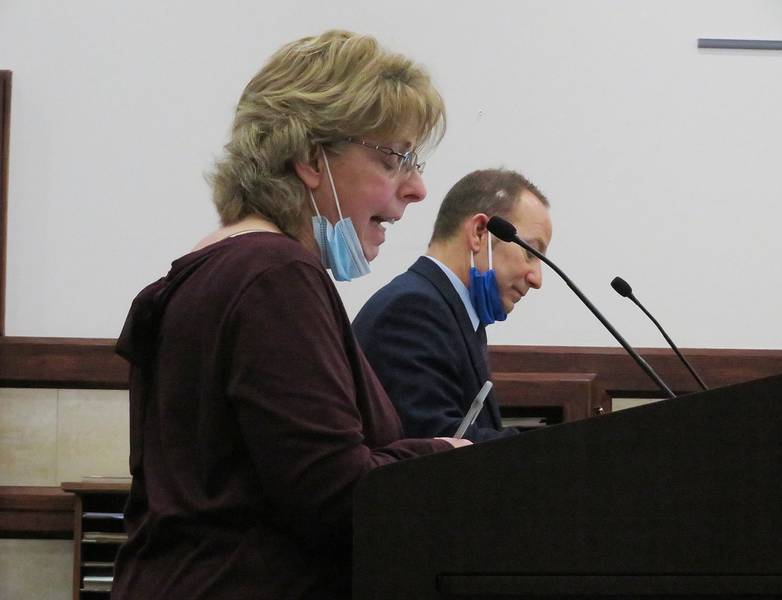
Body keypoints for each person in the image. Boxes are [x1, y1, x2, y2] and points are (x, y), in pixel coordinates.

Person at [111, 30, 469, 600]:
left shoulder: (208, 270)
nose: (419, 188)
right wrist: (443, 458)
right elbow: (338, 500)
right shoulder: (275, 277)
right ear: (308, 158)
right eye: (392, 158)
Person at [353, 169, 553, 442]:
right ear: (480, 233)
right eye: (530, 252)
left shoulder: (450, 311)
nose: (537, 279)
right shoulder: (412, 311)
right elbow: (432, 446)